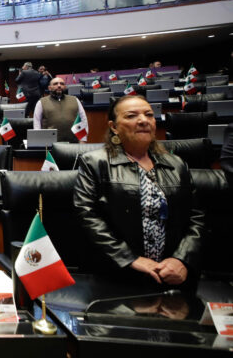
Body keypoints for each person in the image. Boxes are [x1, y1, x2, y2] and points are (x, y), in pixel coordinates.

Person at [74, 96, 204, 285]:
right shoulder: (94, 163)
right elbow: (87, 215)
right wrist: (130, 259)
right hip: (117, 275)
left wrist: (181, 259)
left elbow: (196, 217)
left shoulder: (177, 165)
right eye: (132, 116)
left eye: (149, 115)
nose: (143, 120)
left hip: (171, 275)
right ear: (114, 127)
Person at [33, 77, 88, 142]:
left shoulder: (75, 100)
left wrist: (83, 139)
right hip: (50, 143)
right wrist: (39, 141)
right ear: (49, 88)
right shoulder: (41, 102)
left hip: (73, 143)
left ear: (64, 87)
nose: (59, 85)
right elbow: (37, 123)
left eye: (61, 84)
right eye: (55, 84)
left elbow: (83, 119)